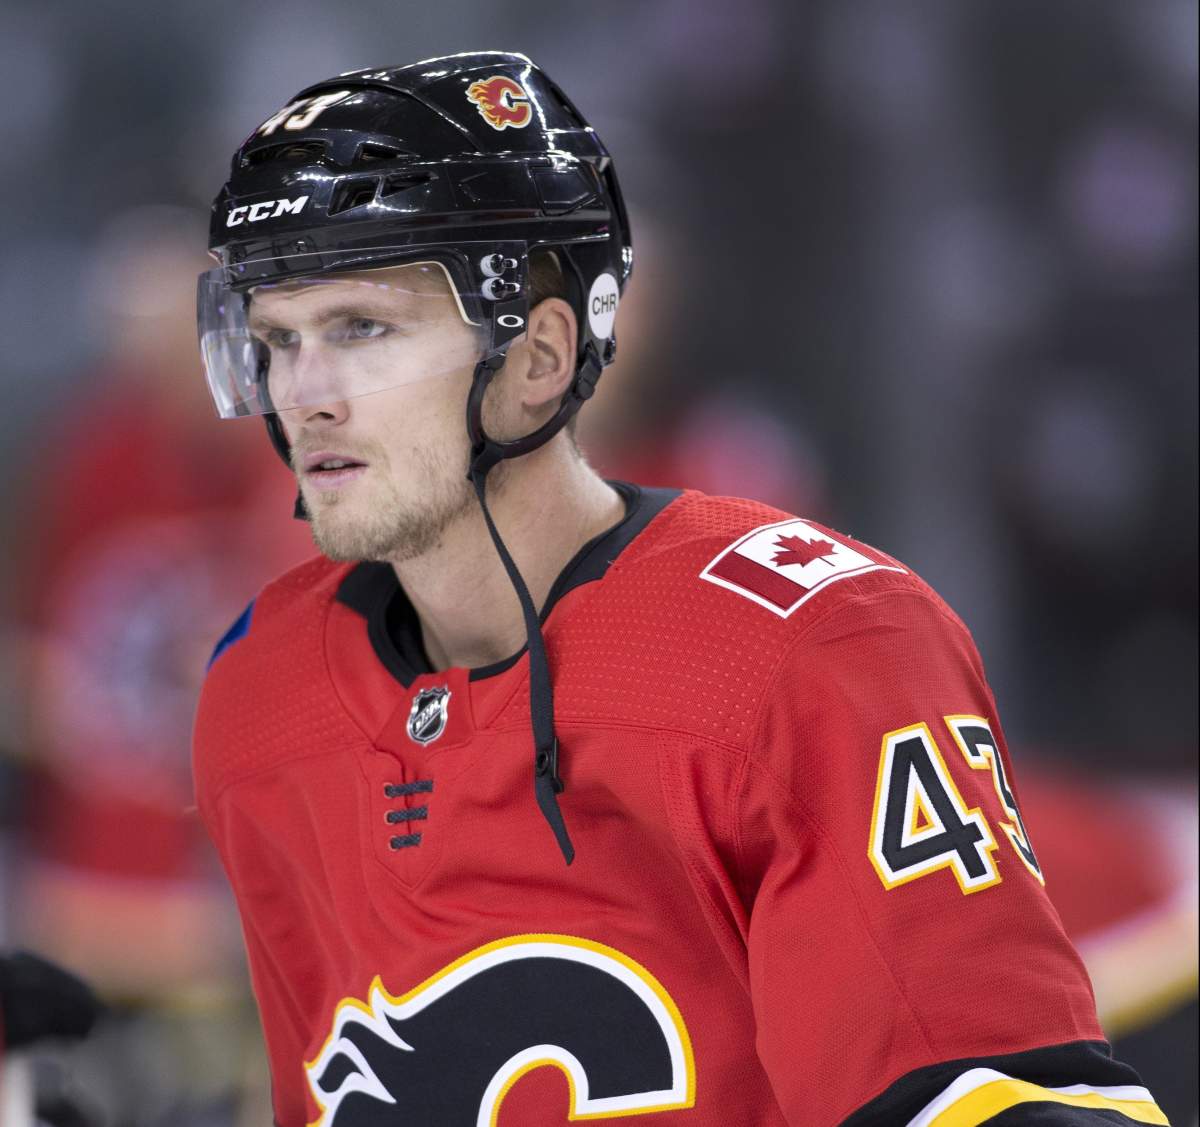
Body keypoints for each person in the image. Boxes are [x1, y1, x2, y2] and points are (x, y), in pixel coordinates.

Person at [191, 52, 1167, 1126]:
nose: (305, 394)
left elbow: (994, 1099)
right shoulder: (262, 691)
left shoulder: (818, 643)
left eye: (361, 329)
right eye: (277, 340)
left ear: (539, 357)